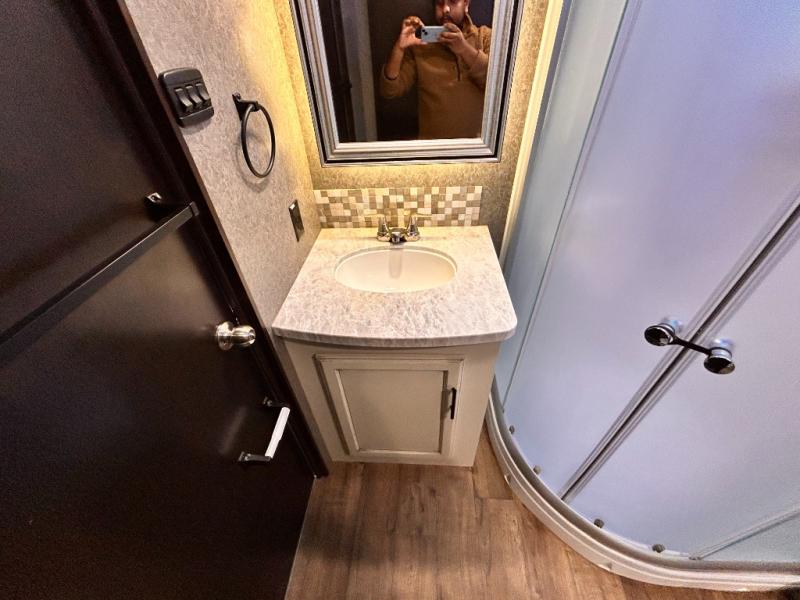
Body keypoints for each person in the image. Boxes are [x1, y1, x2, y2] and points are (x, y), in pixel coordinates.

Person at [379, 0, 491, 139]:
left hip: (478, 146)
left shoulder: (485, 37)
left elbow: (495, 85)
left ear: (466, 4)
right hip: (433, 147)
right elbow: (389, 91)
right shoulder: (420, 44)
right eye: (439, 3)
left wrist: (464, 49)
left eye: (453, 1)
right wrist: (399, 48)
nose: (445, 9)